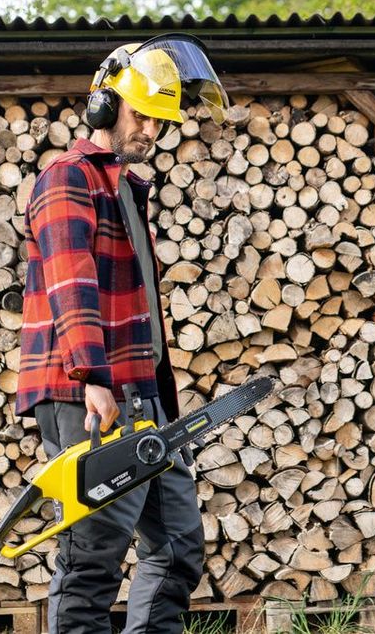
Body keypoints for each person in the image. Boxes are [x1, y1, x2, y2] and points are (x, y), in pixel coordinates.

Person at [15, 33, 229, 634]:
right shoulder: (68, 178)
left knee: (178, 545)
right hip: (88, 391)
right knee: (93, 560)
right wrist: (91, 376)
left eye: (160, 123)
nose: (151, 133)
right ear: (106, 106)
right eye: (141, 116)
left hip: (143, 396)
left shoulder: (126, 188)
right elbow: (70, 282)